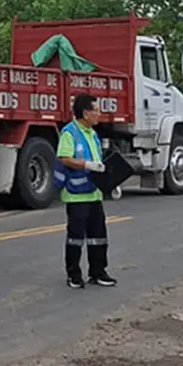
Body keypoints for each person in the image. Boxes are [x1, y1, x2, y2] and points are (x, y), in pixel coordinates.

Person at [54, 93, 117, 289]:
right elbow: (64, 158)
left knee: (98, 236)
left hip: (95, 193)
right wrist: (87, 165)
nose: (99, 114)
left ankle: (98, 272)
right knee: (75, 237)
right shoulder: (70, 133)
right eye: (96, 110)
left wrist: (112, 183)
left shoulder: (93, 134)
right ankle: (73, 274)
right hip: (76, 194)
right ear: (85, 112)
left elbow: (101, 165)